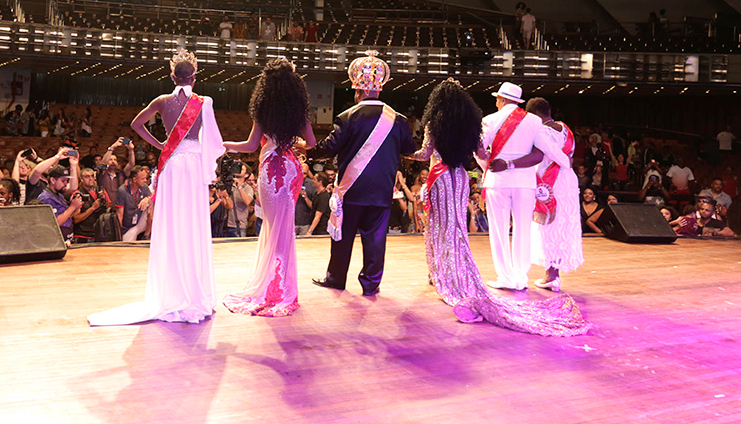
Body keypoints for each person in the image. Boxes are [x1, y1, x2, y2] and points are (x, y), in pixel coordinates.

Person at [88, 49, 226, 325]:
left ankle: (170, 289)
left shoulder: (162, 100)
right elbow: (214, 141)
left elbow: (135, 124)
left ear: (172, 76)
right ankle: (194, 291)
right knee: (193, 224)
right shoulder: (205, 102)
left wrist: (160, 145)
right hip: (194, 163)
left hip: (173, 164)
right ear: (195, 77)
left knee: (173, 223)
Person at [311, 50, 416, 296]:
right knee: (376, 240)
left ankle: (336, 278)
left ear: (358, 89)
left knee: (342, 238)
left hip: (352, 189)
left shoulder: (347, 116)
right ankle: (371, 285)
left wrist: (307, 150)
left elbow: (329, 148)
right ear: (379, 89)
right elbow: (409, 150)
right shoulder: (398, 120)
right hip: (382, 191)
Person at [222, 57, 316, 317]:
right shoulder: (299, 112)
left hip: (271, 169)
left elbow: (251, 145)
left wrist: (226, 144)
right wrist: (293, 143)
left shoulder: (263, 110)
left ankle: (274, 286)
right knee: (285, 229)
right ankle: (283, 286)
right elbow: (311, 143)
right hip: (291, 170)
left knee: (275, 228)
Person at [475, 82, 571, 291]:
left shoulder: (489, 120)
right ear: (517, 101)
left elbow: (480, 150)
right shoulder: (534, 121)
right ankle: (520, 277)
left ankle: (506, 277)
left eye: (497, 99)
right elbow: (543, 151)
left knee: (499, 230)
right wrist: (565, 162)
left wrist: (489, 167)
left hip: (498, 182)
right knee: (522, 229)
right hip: (525, 183)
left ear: (501, 99)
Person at [405, 78, 492, 304]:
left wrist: (404, 153)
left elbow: (425, 155)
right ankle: (457, 268)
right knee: (457, 224)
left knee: (439, 224)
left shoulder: (434, 124)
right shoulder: (472, 126)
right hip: (461, 177)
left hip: (440, 177)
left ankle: (440, 271)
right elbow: (483, 155)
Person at [525, 97, 583, 292]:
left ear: (533, 115)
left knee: (548, 224)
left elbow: (538, 156)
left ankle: (551, 275)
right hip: (567, 179)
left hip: (550, 181)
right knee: (562, 223)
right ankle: (554, 273)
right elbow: (570, 158)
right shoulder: (566, 129)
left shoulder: (539, 131)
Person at [37, 165, 84, 243]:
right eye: (63, 181)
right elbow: (55, 222)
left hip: (66, 239)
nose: (66, 183)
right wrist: (72, 207)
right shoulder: (46, 198)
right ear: (53, 180)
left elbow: (65, 216)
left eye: (67, 180)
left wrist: (75, 208)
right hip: (55, 241)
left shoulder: (59, 194)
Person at [71, 167, 110, 243]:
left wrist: (104, 200)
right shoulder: (78, 194)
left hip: (99, 234)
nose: (91, 178)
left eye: (92, 176)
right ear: (81, 179)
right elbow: (76, 219)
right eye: (87, 177)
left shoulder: (100, 190)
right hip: (83, 236)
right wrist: (92, 208)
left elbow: (108, 209)